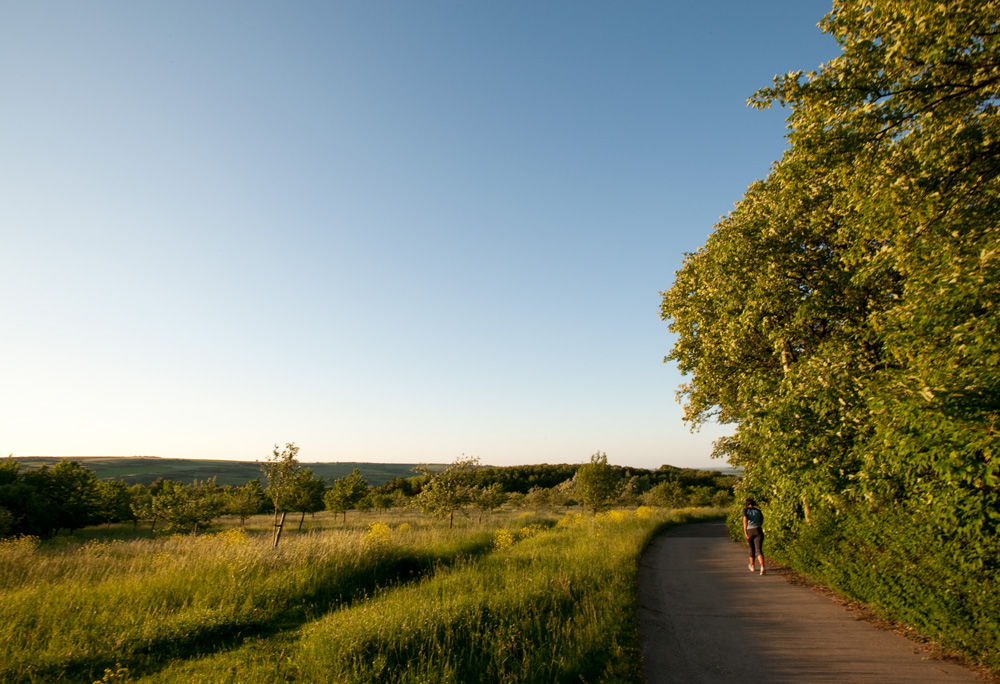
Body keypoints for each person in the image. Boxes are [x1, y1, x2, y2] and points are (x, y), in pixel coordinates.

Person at [743, 498, 765, 576]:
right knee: (759, 549)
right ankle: (762, 566)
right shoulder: (758, 511)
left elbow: (745, 519)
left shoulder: (745, 510)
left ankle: (752, 566)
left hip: (750, 530)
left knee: (752, 548)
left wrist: (745, 530)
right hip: (758, 530)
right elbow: (761, 520)